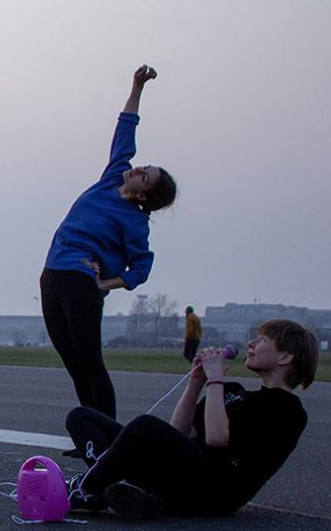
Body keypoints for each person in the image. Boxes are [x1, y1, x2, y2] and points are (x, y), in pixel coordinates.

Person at [64, 319, 317, 520]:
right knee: (82, 417)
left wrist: (216, 379)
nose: (251, 343)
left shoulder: (288, 411)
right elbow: (181, 432)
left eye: (262, 340)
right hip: (181, 476)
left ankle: (86, 489)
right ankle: (117, 491)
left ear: (285, 357)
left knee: (144, 425)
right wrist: (196, 384)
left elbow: (219, 439)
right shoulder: (234, 391)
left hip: (214, 493)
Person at [40, 65, 176, 419]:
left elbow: (142, 266)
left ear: (146, 194)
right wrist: (136, 87)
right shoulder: (112, 175)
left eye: (145, 175)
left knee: (90, 361)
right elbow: (125, 128)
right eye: (142, 166)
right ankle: (90, 432)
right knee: (72, 361)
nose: (137, 170)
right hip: (52, 274)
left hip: (81, 282)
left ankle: (109, 436)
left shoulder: (134, 221)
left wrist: (106, 283)